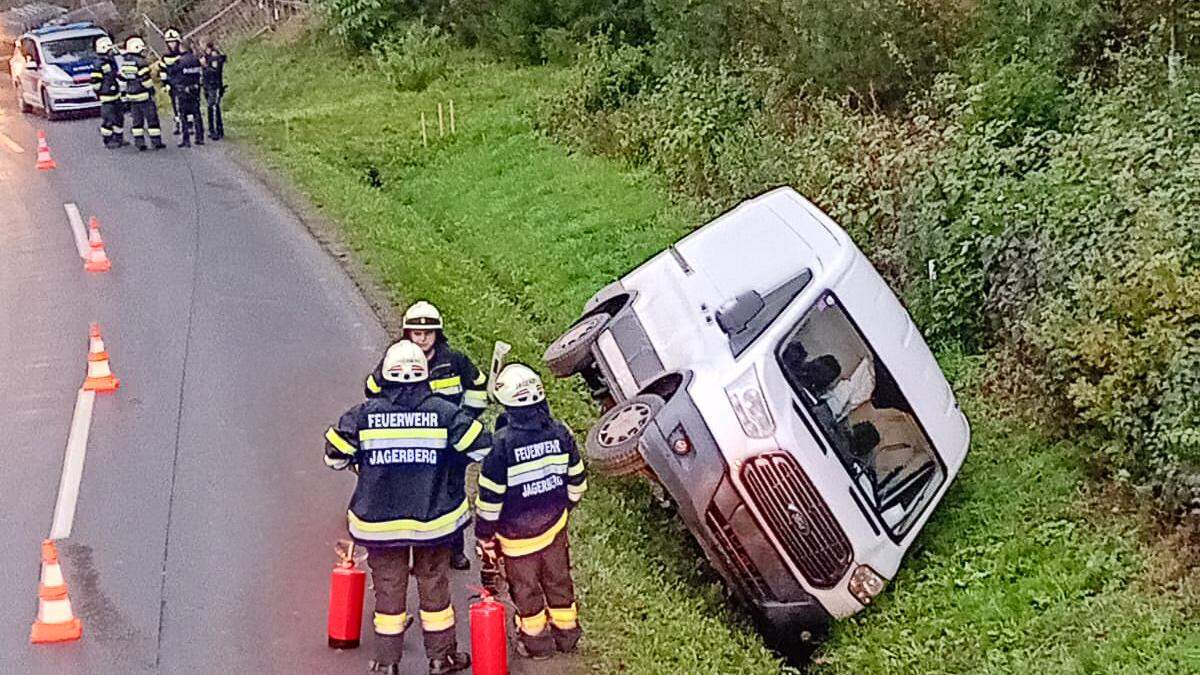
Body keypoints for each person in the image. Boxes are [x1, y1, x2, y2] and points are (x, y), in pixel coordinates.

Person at [325, 340, 489, 675]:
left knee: (388, 588)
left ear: (385, 375)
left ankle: (387, 662)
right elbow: (482, 447)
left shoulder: (364, 415)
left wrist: (365, 466)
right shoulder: (444, 413)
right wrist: (448, 461)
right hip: (434, 522)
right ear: (423, 374)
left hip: (379, 523)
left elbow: (333, 455)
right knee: (434, 586)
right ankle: (441, 658)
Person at [364, 301, 488, 571]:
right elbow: (372, 389)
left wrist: (466, 418)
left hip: (452, 444)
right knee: (416, 495)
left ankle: (454, 551)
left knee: (452, 495)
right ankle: (414, 554)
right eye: (416, 334)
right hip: (415, 442)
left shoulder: (454, 361)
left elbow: (479, 386)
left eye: (428, 334)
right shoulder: (397, 359)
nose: (422, 339)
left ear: (437, 334)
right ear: (408, 334)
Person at [475, 363, 586, 660]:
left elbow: (490, 500)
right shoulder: (560, 432)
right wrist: (565, 510)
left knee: (525, 591)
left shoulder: (500, 446)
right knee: (559, 581)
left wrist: (484, 535)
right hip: (554, 527)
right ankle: (567, 635)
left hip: (516, 539)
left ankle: (537, 644)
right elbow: (577, 481)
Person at [117, 37, 165, 151]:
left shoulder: (126, 62)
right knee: (152, 119)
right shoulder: (141, 62)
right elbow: (145, 80)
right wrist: (152, 90)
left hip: (132, 97)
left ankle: (139, 143)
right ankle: (156, 142)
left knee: (137, 122)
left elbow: (122, 78)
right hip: (143, 95)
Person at [89, 36, 124, 148]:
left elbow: (115, 74)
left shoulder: (111, 61)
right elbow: (95, 81)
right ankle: (108, 140)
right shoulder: (99, 64)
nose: (111, 51)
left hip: (115, 94)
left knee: (119, 118)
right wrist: (99, 92)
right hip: (106, 97)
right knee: (108, 119)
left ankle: (119, 138)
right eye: (109, 49)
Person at [172, 45, 205, 147]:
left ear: (182, 48)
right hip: (195, 90)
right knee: (197, 114)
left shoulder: (180, 61)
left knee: (183, 115)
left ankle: (186, 140)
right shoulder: (196, 60)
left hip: (183, 90)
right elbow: (200, 73)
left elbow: (174, 74)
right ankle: (199, 138)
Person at [156, 28, 185, 135]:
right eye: (169, 42)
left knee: (187, 104)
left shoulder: (183, 55)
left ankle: (189, 124)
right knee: (175, 104)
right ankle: (178, 124)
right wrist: (165, 84)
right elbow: (163, 72)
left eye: (173, 42)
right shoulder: (165, 57)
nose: (172, 45)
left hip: (183, 82)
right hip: (172, 84)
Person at [200, 41, 226, 140]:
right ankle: (214, 129)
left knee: (213, 106)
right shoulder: (205, 55)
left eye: (201, 43)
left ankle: (215, 130)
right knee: (211, 106)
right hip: (208, 85)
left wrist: (205, 65)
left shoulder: (214, 56)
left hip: (214, 85)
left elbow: (214, 71)